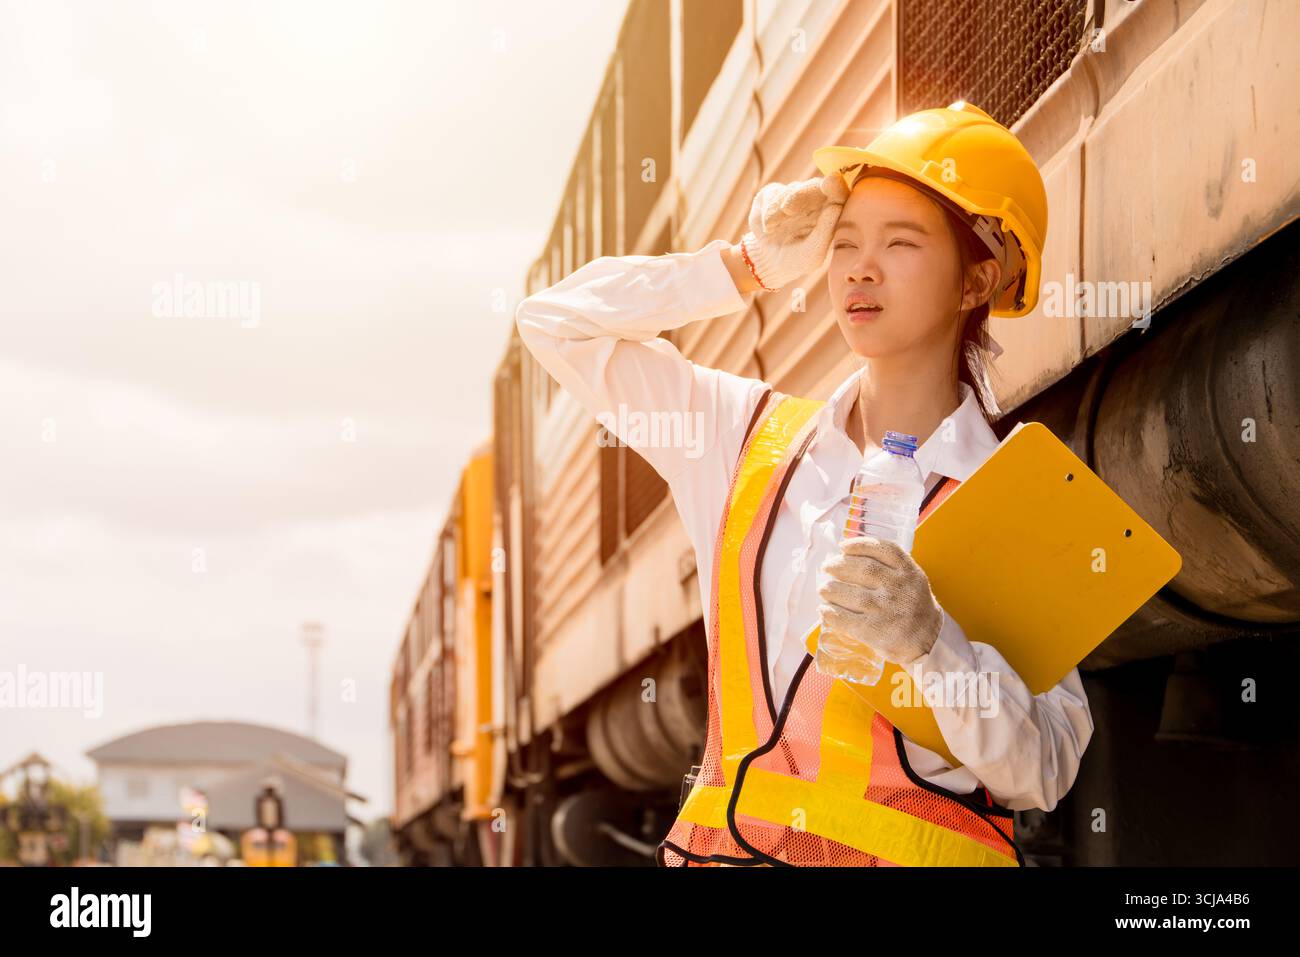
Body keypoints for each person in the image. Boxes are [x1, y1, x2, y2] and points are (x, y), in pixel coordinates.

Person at [515, 102, 1093, 867]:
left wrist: (933, 649)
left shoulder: (1017, 498)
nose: (859, 266)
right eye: (845, 241)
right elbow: (553, 325)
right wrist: (743, 265)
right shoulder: (741, 439)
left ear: (976, 280)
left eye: (901, 242)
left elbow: (1045, 767)